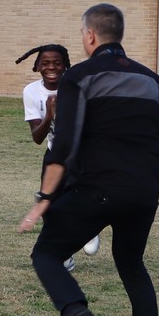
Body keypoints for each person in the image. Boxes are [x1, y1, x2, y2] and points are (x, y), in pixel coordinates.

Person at [18, 3, 159, 316]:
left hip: (96, 188)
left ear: (90, 36)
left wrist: (44, 199)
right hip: (143, 193)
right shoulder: (149, 79)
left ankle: (73, 309)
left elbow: (64, 144)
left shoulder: (79, 77)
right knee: (131, 265)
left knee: (47, 253)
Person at [16, 43, 99, 269]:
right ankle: (64, 256)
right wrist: (50, 114)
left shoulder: (77, 87)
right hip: (54, 153)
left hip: (82, 154)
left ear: (65, 66)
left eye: (57, 63)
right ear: (37, 67)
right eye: (45, 63)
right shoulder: (31, 91)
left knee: (79, 200)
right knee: (50, 206)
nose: (51, 67)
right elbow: (37, 137)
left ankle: (89, 229)